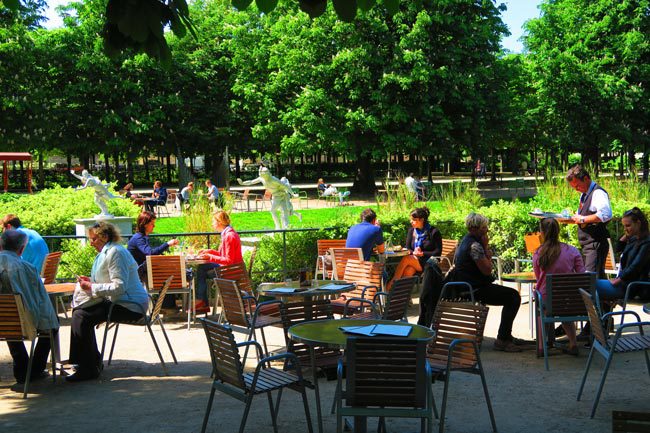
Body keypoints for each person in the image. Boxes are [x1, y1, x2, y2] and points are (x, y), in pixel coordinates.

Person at [67, 221, 149, 382]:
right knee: (80, 313)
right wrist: (90, 280)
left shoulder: (115, 253)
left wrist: (91, 286)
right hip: (123, 302)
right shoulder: (109, 251)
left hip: (130, 306)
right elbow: (110, 281)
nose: (90, 243)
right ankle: (89, 363)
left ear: (104, 237)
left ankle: (88, 366)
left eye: (93, 239)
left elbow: (119, 286)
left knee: (81, 316)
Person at [451, 213, 524, 352]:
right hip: (474, 289)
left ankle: (506, 336)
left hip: (469, 285)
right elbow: (487, 270)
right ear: (476, 228)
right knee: (513, 297)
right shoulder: (475, 246)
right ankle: (502, 339)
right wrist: (485, 247)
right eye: (484, 227)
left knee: (511, 295)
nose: (487, 230)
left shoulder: (466, 240)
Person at [0, 230, 59, 384]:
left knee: (9, 321)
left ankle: (23, 369)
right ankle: (33, 370)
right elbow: (39, 302)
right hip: (22, 322)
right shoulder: (26, 268)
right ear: (21, 249)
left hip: (4, 322)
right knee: (52, 326)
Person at [533, 218, 586, 355]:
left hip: (548, 299)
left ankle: (540, 346)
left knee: (541, 310)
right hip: (569, 300)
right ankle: (573, 343)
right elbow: (582, 275)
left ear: (542, 232)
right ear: (558, 231)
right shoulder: (572, 251)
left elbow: (538, 277)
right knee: (564, 308)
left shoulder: (538, 252)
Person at [127, 211, 180, 315]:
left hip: (142, 271)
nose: (154, 226)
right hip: (138, 274)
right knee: (169, 275)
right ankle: (167, 306)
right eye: (152, 223)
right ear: (145, 224)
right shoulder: (139, 239)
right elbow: (149, 253)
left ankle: (167, 306)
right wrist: (167, 244)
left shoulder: (141, 237)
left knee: (170, 273)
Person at [566, 165, 612, 278]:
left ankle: (601, 296)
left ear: (586, 178)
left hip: (595, 244)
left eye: (577, 186)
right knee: (595, 280)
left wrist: (582, 219)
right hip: (587, 245)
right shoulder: (584, 194)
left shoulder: (598, 193)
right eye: (574, 187)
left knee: (592, 281)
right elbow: (584, 217)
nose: (576, 189)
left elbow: (606, 215)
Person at [595, 207, 650, 301]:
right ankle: (603, 313)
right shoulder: (634, 239)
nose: (625, 229)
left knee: (590, 286)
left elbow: (635, 266)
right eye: (623, 226)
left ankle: (602, 314)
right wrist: (626, 235)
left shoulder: (647, 243)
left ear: (638, 223)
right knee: (588, 284)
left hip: (632, 287)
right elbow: (618, 249)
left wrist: (619, 279)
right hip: (625, 283)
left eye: (628, 225)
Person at [194, 211, 243, 313]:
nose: (212, 224)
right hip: (232, 269)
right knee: (202, 268)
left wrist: (210, 257)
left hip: (230, 271)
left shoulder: (229, 236)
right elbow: (223, 255)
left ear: (219, 222)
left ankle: (201, 302)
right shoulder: (228, 233)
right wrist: (210, 252)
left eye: (213, 221)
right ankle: (201, 302)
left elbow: (228, 261)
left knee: (202, 269)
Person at [386, 207, 442, 291]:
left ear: (422, 220)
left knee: (406, 259)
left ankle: (391, 284)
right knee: (409, 271)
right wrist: (414, 252)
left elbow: (438, 252)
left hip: (429, 262)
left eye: (414, 219)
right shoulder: (412, 230)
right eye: (411, 219)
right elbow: (408, 247)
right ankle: (402, 297)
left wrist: (422, 253)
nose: (411, 221)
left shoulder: (433, 232)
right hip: (415, 260)